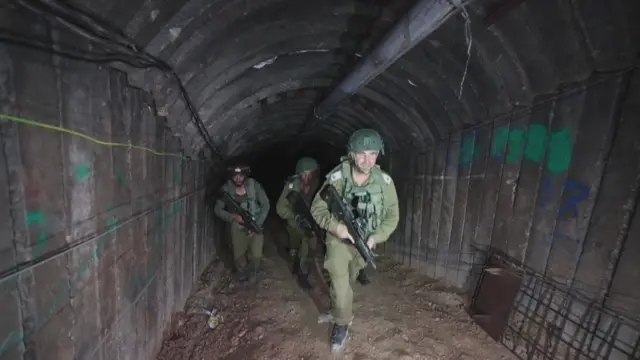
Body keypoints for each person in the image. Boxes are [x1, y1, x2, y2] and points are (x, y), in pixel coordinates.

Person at [310, 129, 399, 353]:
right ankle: (342, 324)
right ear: (351, 154)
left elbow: (392, 215)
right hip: (339, 241)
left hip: (364, 243)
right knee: (341, 286)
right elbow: (317, 208)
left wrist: (376, 237)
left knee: (346, 283)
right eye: (361, 154)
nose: (367, 160)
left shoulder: (385, 182)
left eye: (372, 154)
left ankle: (338, 309)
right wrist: (337, 227)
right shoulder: (338, 177)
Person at [214, 164, 270, 283]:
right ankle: (243, 273)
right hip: (237, 226)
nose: (238, 179)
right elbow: (217, 209)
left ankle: (252, 272)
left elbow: (266, 205)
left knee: (256, 255)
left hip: (255, 223)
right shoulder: (227, 188)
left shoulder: (254, 186)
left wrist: (258, 224)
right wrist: (233, 216)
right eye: (235, 177)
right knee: (238, 256)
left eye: (241, 176)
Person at [276, 157, 322, 290]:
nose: (307, 177)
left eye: (310, 173)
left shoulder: (317, 185)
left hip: (309, 223)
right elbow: (280, 208)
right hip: (293, 223)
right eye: (304, 173)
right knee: (294, 246)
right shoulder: (292, 185)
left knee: (308, 243)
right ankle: (296, 260)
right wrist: (294, 216)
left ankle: (303, 273)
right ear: (298, 173)